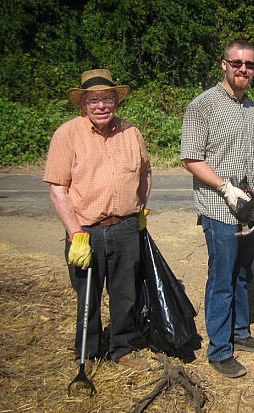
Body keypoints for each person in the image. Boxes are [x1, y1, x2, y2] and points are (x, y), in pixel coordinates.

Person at [180, 40, 254, 378]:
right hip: (220, 208)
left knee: (243, 275)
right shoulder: (203, 106)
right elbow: (190, 158)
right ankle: (219, 350)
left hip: (251, 209)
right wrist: (224, 187)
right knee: (221, 279)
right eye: (236, 62)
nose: (243, 69)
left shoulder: (253, 108)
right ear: (223, 64)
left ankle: (240, 334)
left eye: (249, 64)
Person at [44, 69, 152, 373]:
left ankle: (123, 348)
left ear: (116, 100)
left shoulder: (131, 132)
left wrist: (140, 208)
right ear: (83, 105)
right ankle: (87, 352)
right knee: (87, 295)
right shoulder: (67, 134)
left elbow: (145, 172)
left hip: (127, 228)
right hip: (86, 231)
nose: (101, 105)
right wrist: (74, 232)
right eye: (94, 100)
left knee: (125, 292)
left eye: (107, 98)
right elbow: (58, 188)